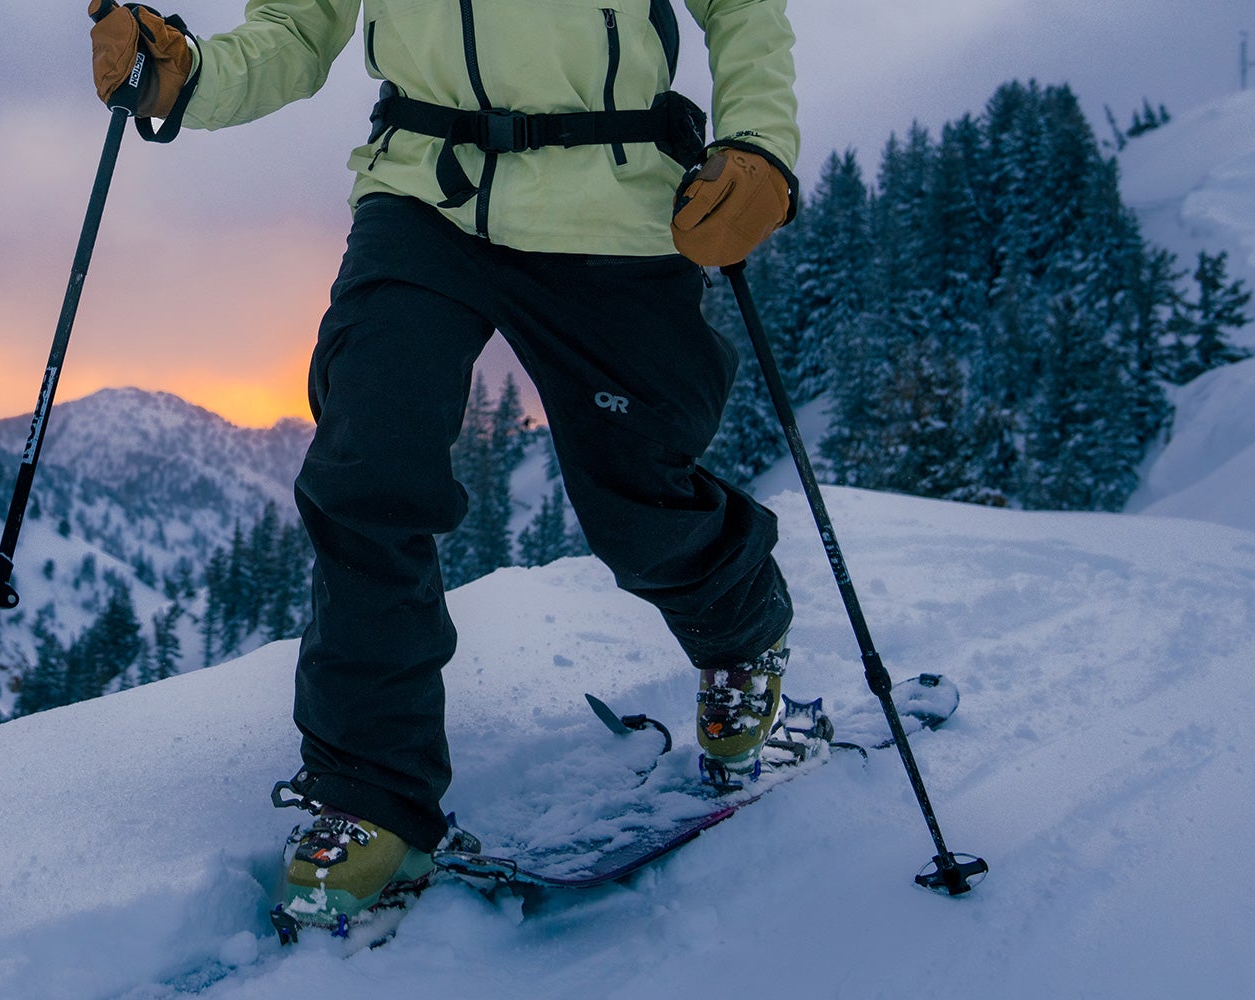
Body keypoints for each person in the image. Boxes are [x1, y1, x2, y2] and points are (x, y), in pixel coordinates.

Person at [89, 0, 803, 933]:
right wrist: (188, 73)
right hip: (425, 193)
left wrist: (759, 143)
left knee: (639, 495)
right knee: (366, 465)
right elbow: (298, 30)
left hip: (612, 192)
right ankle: (372, 793)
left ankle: (741, 637)